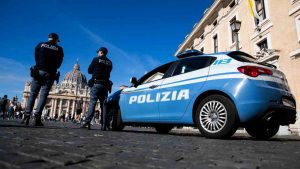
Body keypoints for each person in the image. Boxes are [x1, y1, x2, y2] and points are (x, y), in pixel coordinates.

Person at [21, 33, 64, 126]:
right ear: (56, 40)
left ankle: (27, 115)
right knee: (43, 95)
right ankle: (37, 117)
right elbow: (59, 63)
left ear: (48, 38)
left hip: (38, 71)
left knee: (33, 94)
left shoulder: (40, 44)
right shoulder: (59, 49)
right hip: (50, 73)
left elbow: (36, 57)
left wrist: (40, 64)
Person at [81, 47, 112, 130]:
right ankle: (104, 125)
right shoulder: (110, 62)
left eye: (98, 52)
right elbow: (109, 72)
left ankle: (87, 122)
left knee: (92, 103)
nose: (98, 53)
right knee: (103, 105)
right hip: (105, 85)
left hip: (96, 83)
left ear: (101, 52)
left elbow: (89, 71)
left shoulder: (96, 59)